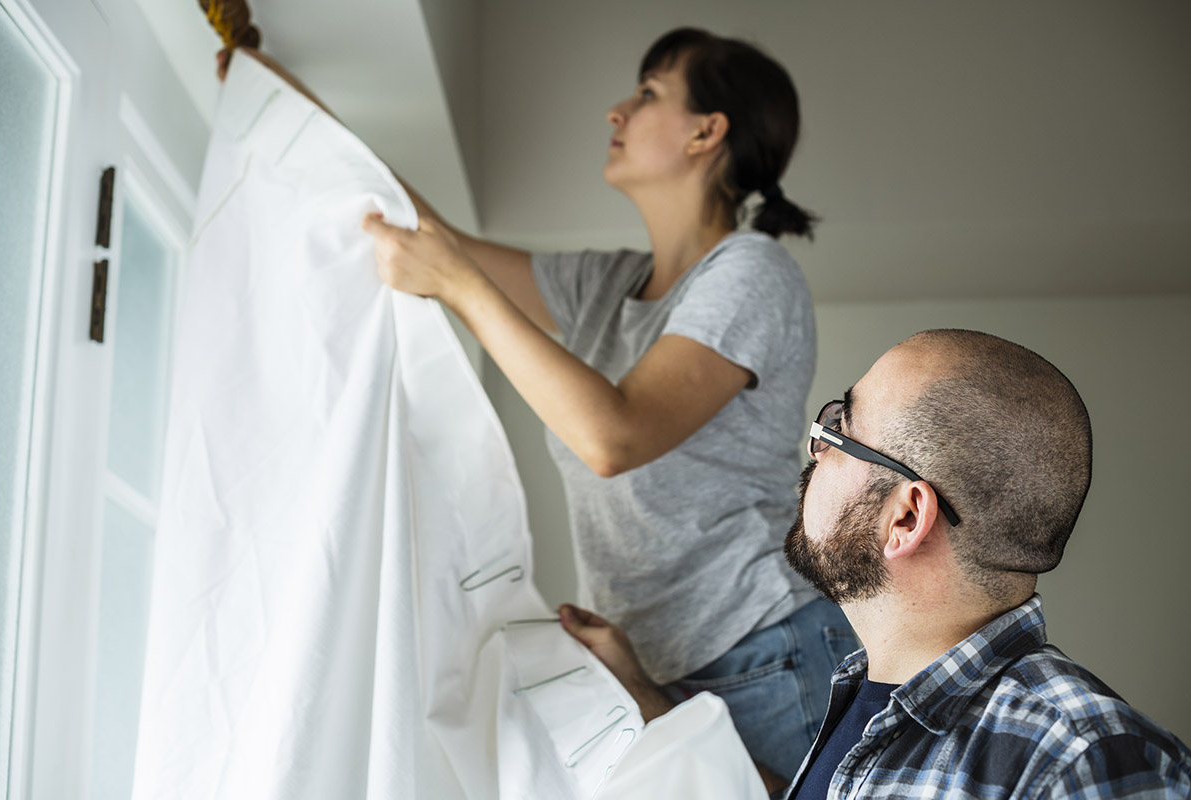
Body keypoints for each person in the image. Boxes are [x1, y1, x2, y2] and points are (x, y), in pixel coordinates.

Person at [359, 27, 856, 788]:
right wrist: (292, 112)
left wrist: (460, 287)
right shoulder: (604, 287)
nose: (616, 112)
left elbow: (613, 435)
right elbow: (439, 242)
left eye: (649, 93)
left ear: (706, 131)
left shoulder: (753, 271)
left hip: (763, 653)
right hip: (653, 667)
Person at [561, 329, 1191, 798]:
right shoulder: (867, 703)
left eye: (839, 428)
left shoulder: (1083, 757)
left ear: (906, 519)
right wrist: (644, 698)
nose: (812, 447)